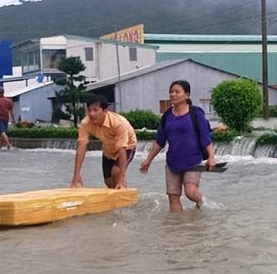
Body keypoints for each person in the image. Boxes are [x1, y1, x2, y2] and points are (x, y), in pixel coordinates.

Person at [140, 80, 215, 212]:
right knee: (173, 197)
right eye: (171, 91)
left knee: (190, 192)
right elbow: (159, 141)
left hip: (193, 161)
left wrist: (211, 157)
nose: (173, 94)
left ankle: (200, 201)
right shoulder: (167, 116)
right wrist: (148, 160)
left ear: (187, 95)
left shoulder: (196, 114)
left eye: (177, 92)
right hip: (173, 162)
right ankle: (178, 228)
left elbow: (205, 137)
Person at [70, 94, 137, 189]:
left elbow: (122, 148)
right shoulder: (85, 123)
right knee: (108, 182)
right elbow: (81, 147)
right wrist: (76, 175)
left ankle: (124, 196)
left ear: (105, 111)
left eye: (95, 110)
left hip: (127, 146)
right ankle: (114, 200)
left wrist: (122, 176)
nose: (92, 114)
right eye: (89, 110)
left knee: (116, 173)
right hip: (108, 149)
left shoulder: (119, 123)